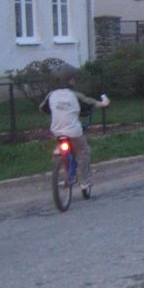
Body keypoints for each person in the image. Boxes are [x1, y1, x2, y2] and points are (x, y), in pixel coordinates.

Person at [40, 63, 110, 197]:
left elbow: (43, 108)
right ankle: (85, 182)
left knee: (61, 148)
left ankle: (62, 167)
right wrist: (104, 101)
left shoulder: (50, 95)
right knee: (83, 152)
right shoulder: (75, 95)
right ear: (68, 80)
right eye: (72, 78)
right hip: (74, 132)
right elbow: (91, 103)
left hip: (57, 131)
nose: (74, 80)